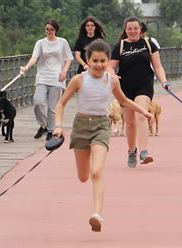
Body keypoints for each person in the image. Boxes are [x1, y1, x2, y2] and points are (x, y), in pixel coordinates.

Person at [53, 39, 154, 232]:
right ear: (88, 61)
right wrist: (58, 126)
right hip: (81, 126)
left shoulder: (112, 80)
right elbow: (61, 104)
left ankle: (97, 214)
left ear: (108, 61)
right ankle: (95, 209)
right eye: (95, 61)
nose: (99, 65)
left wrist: (144, 112)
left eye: (103, 61)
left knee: (96, 172)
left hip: (101, 126)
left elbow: (124, 100)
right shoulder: (79, 80)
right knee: (83, 177)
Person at [108, 17, 170, 168]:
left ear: (140, 29)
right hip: (125, 88)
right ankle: (131, 151)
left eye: (135, 28)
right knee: (130, 123)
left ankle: (144, 151)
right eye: (129, 29)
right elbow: (110, 67)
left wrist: (164, 81)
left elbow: (158, 66)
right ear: (125, 30)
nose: (133, 31)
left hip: (144, 85)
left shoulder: (148, 44)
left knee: (141, 115)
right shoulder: (120, 46)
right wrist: (113, 75)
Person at [20, 19, 73, 141]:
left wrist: (64, 71)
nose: (49, 32)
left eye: (52, 29)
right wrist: (27, 67)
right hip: (43, 76)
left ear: (56, 30)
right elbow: (35, 57)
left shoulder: (62, 42)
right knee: (38, 101)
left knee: (52, 107)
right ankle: (43, 125)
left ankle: (51, 130)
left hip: (57, 77)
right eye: (47, 29)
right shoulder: (40, 43)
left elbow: (69, 58)